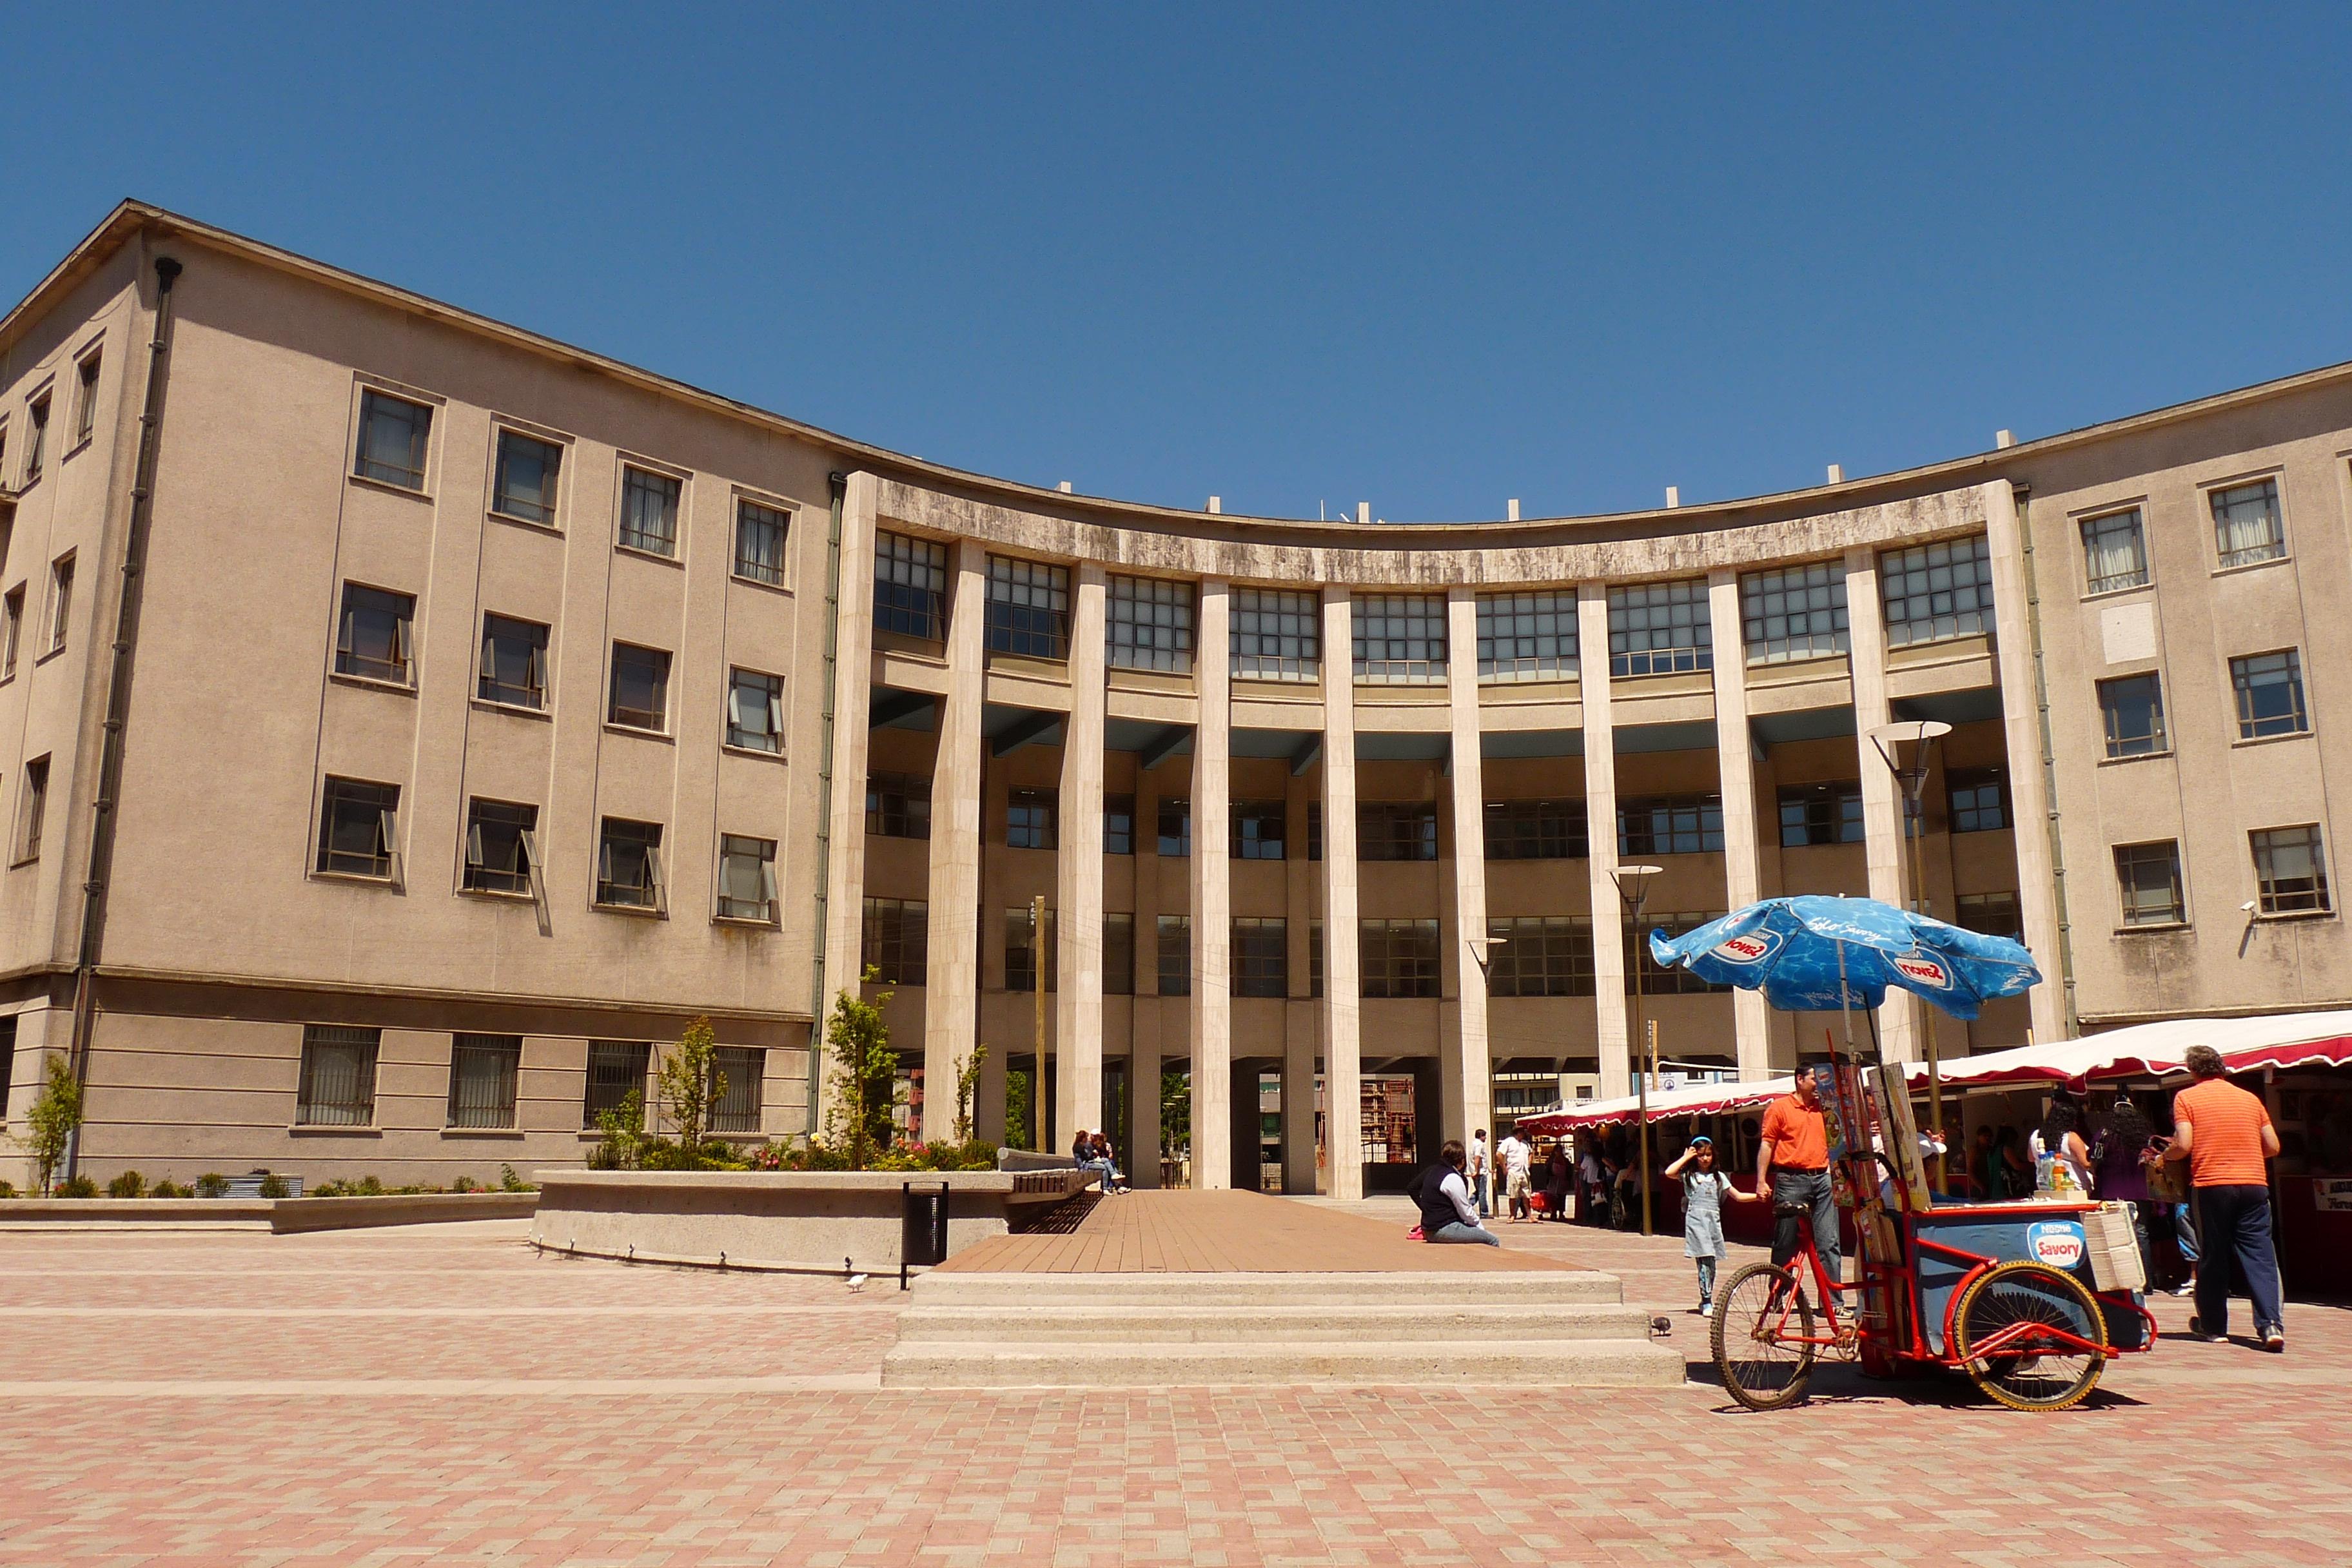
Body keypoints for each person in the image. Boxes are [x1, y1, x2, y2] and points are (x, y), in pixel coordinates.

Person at [2163, 1045, 2284, 1351]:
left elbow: (2185, 1144)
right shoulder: (2249, 1099)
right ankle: (2270, 1325)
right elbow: (2272, 1146)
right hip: (2254, 1183)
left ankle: (2213, 1326)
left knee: (2214, 1255)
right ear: (2222, 1068)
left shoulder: (2187, 1098)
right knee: (2261, 1256)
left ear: (2192, 1070)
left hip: (2212, 1184)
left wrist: (2165, 1155)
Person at [1757, 1068, 1839, 1289]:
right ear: (1800, 1079)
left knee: (1829, 1242)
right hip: (1790, 1180)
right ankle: (1778, 1294)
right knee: (1786, 1241)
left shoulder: (1825, 1108)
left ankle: (1832, 1301)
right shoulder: (1779, 1108)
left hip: (1823, 1179)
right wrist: (1761, 1180)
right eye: (1815, 1079)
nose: (1818, 1084)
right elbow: (1767, 1145)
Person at [1666, 1135, 1757, 1314]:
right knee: (1704, 1260)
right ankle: (1707, 1299)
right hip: (1696, 1222)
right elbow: (1670, 1172)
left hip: (1713, 1223)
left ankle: (1706, 1296)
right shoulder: (1689, 1176)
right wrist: (1686, 1157)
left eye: (1708, 1155)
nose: (1705, 1159)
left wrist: (1758, 1197)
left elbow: (1737, 1196)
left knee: (1711, 1263)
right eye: (1700, 1155)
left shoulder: (1719, 1177)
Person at [2092, 1093, 2158, 1282]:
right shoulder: (2146, 1137)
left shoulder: (2104, 1136)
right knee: (2142, 1234)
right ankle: (2147, 1281)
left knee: (2116, 1236)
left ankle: (2123, 1280)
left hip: (2112, 1191)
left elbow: (2094, 1162)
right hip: (2142, 1191)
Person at [1413, 1139, 1500, 1246]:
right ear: (1462, 1161)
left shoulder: (1434, 1171)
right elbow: (1466, 1211)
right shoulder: (1452, 1178)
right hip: (1443, 1229)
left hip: (1429, 1228)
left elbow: (1412, 1188)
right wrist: (1481, 1229)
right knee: (1492, 1239)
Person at [2040, 1100, 2093, 1195]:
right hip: (2075, 1186)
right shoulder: (2071, 1137)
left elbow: (2031, 1158)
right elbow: (2086, 1164)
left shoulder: (2038, 1135)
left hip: (2050, 1185)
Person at [1496, 1125, 1533, 1222]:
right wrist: (1504, 1167)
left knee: (1527, 1194)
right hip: (1513, 1171)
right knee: (1513, 1195)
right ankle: (1512, 1215)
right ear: (1517, 1132)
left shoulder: (1525, 1144)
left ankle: (1530, 1216)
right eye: (1522, 1132)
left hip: (1524, 1171)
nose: (1524, 1134)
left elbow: (1530, 1153)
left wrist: (1528, 1164)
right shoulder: (1509, 1141)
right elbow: (1499, 1154)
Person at [1576, 1132, 1609, 1225]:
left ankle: (1590, 1218)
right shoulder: (1601, 1158)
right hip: (1599, 1180)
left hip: (1590, 1181)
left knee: (1589, 1200)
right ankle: (1599, 1218)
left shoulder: (1589, 1157)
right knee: (1600, 1199)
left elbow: (1582, 1167)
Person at [1089, 1130, 1130, 1195]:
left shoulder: (1106, 1145)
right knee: (1109, 1165)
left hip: (1105, 1161)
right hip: (1097, 1161)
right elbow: (1092, 1156)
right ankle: (1117, 1186)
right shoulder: (1091, 1145)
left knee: (1110, 1164)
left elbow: (1110, 1155)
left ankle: (1112, 1186)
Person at [1542, 1144, 1573, 1222]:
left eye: (1560, 1151)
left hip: (1562, 1182)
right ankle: (1553, 1213)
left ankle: (1561, 1214)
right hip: (1553, 1182)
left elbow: (1569, 1171)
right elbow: (1547, 1170)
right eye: (1557, 1151)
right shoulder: (1550, 1160)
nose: (1558, 1152)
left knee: (1562, 1198)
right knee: (1552, 1198)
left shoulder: (1565, 1160)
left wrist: (1567, 1179)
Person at [1468, 1128, 1492, 1219]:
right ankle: (1484, 1212)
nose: (1485, 1138)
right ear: (1481, 1136)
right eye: (1484, 1136)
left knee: (1478, 1191)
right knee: (1482, 1192)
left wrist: (1488, 1169)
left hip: (1478, 1171)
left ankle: (1469, 1205)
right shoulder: (1479, 1145)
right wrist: (1477, 1171)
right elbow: (1477, 1157)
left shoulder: (1473, 1144)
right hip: (1480, 1173)